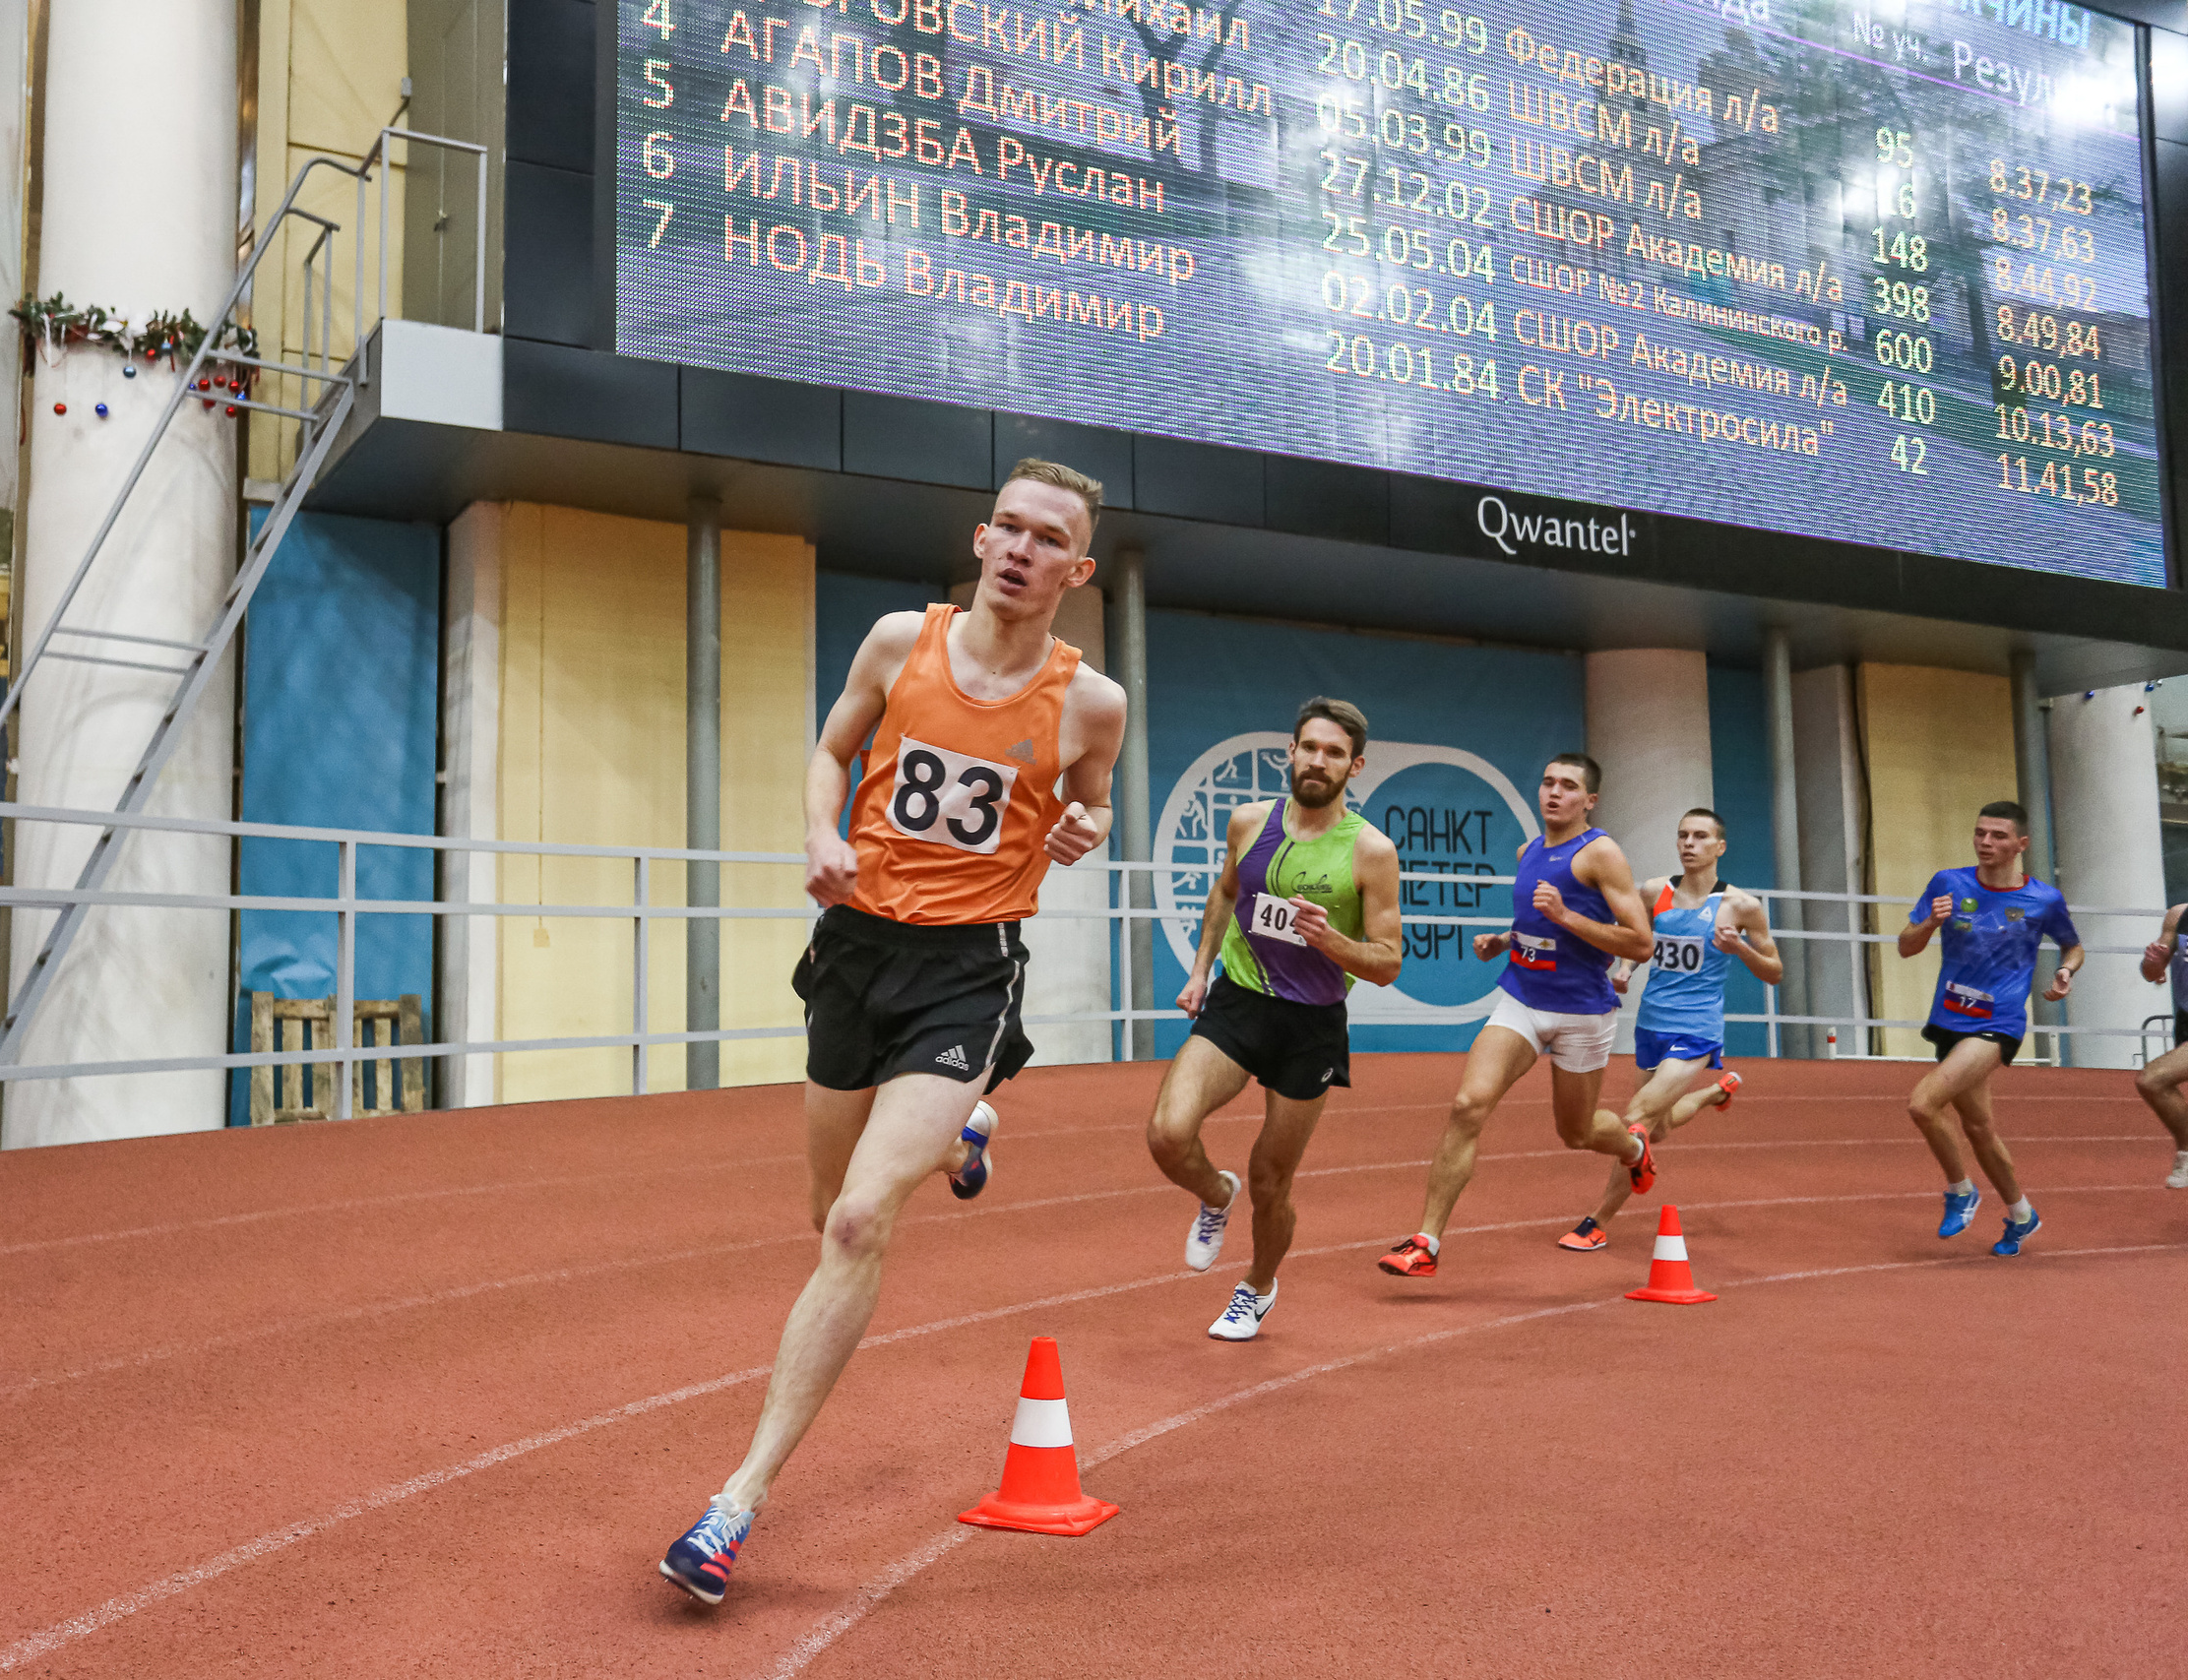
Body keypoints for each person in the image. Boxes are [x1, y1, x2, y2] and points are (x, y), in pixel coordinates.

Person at [657, 460, 1128, 1606]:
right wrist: (820, 833)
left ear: (1078, 567)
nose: (1020, 550)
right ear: (979, 539)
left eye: (1046, 537)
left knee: (864, 1220)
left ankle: (733, 1505)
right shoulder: (893, 642)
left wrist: (1083, 827)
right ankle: (962, 1131)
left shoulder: (1088, 702)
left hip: (969, 973)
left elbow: (1097, 796)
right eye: (1006, 528)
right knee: (825, 1215)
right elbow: (831, 754)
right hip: (857, 953)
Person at [1143, 698, 1404, 1340]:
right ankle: (1213, 1193)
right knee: (1168, 1134)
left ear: (1355, 765)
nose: (1319, 760)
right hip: (1238, 1001)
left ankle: (1258, 1285)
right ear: (1290, 751)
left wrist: (1331, 942)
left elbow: (1388, 962)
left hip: (1309, 1025)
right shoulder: (1249, 821)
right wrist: (1200, 970)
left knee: (1271, 1178)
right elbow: (1228, 891)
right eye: (1309, 746)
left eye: (1334, 752)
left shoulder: (1371, 851)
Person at [1379, 754, 1657, 1277]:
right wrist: (1505, 939)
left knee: (1575, 1133)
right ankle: (1426, 1243)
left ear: (1589, 801)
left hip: (1582, 1014)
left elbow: (1640, 942)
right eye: (1548, 781)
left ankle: (1632, 1145)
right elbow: (1538, 918)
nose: (1554, 792)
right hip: (1523, 1002)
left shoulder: (1601, 854)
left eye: (1568, 786)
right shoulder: (1529, 849)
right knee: (1468, 1104)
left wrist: (1566, 916)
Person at [1559, 808, 1782, 1251]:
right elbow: (1635, 939)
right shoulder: (1653, 891)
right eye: (1683, 835)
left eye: (1700, 837)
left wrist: (1741, 950)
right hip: (1652, 1022)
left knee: (1636, 1117)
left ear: (1719, 848)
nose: (1688, 844)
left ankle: (1597, 1221)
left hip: (1697, 1029)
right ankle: (1712, 1094)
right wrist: (1624, 968)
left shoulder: (1740, 906)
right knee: (1656, 1129)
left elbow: (1774, 971)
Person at [1896, 800, 2082, 1257]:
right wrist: (1931, 923)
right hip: (1949, 1020)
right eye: (1980, 833)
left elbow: (2073, 947)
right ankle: (2022, 1214)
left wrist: (2066, 972)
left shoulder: (2043, 899)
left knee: (1922, 1105)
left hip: (1998, 1024)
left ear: (2021, 844)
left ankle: (1961, 1190)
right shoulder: (1948, 882)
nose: (1986, 843)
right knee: (1979, 1128)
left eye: (1998, 836)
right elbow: (1905, 946)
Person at [2131, 907, 2188, 1189]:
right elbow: (2152, 972)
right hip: (2186, 1024)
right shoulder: (2179, 915)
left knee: (2153, 1079)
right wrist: (2153, 962)